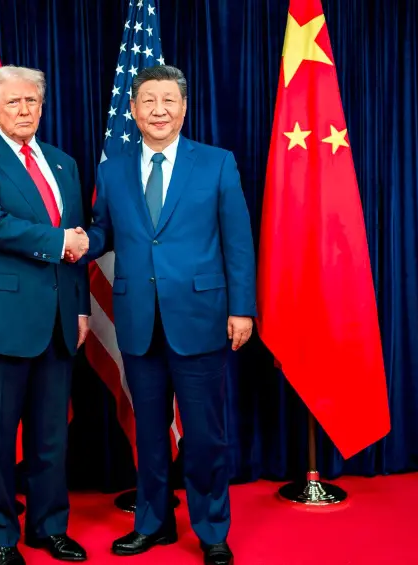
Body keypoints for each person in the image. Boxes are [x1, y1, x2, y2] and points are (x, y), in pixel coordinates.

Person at [76, 65, 255, 565]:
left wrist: (242, 308)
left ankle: (212, 528)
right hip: (137, 320)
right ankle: (153, 524)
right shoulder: (113, 169)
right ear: (132, 110)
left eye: (168, 100)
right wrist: (74, 243)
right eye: (148, 101)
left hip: (202, 318)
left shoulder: (217, 163)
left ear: (183, 107)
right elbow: (103, 231)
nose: (158, 110)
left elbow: (237, 243)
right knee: (149, 433)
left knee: (204, 435)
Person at [0, 65, 91, 565]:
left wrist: (79, 306)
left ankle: (49, 528)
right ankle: (3, 539)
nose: (25, 110)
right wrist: (58, 241)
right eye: (13, 102)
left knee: (52, 437)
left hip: (57, 321)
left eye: (32, 101)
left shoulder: (63, 163)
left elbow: (75, 243)